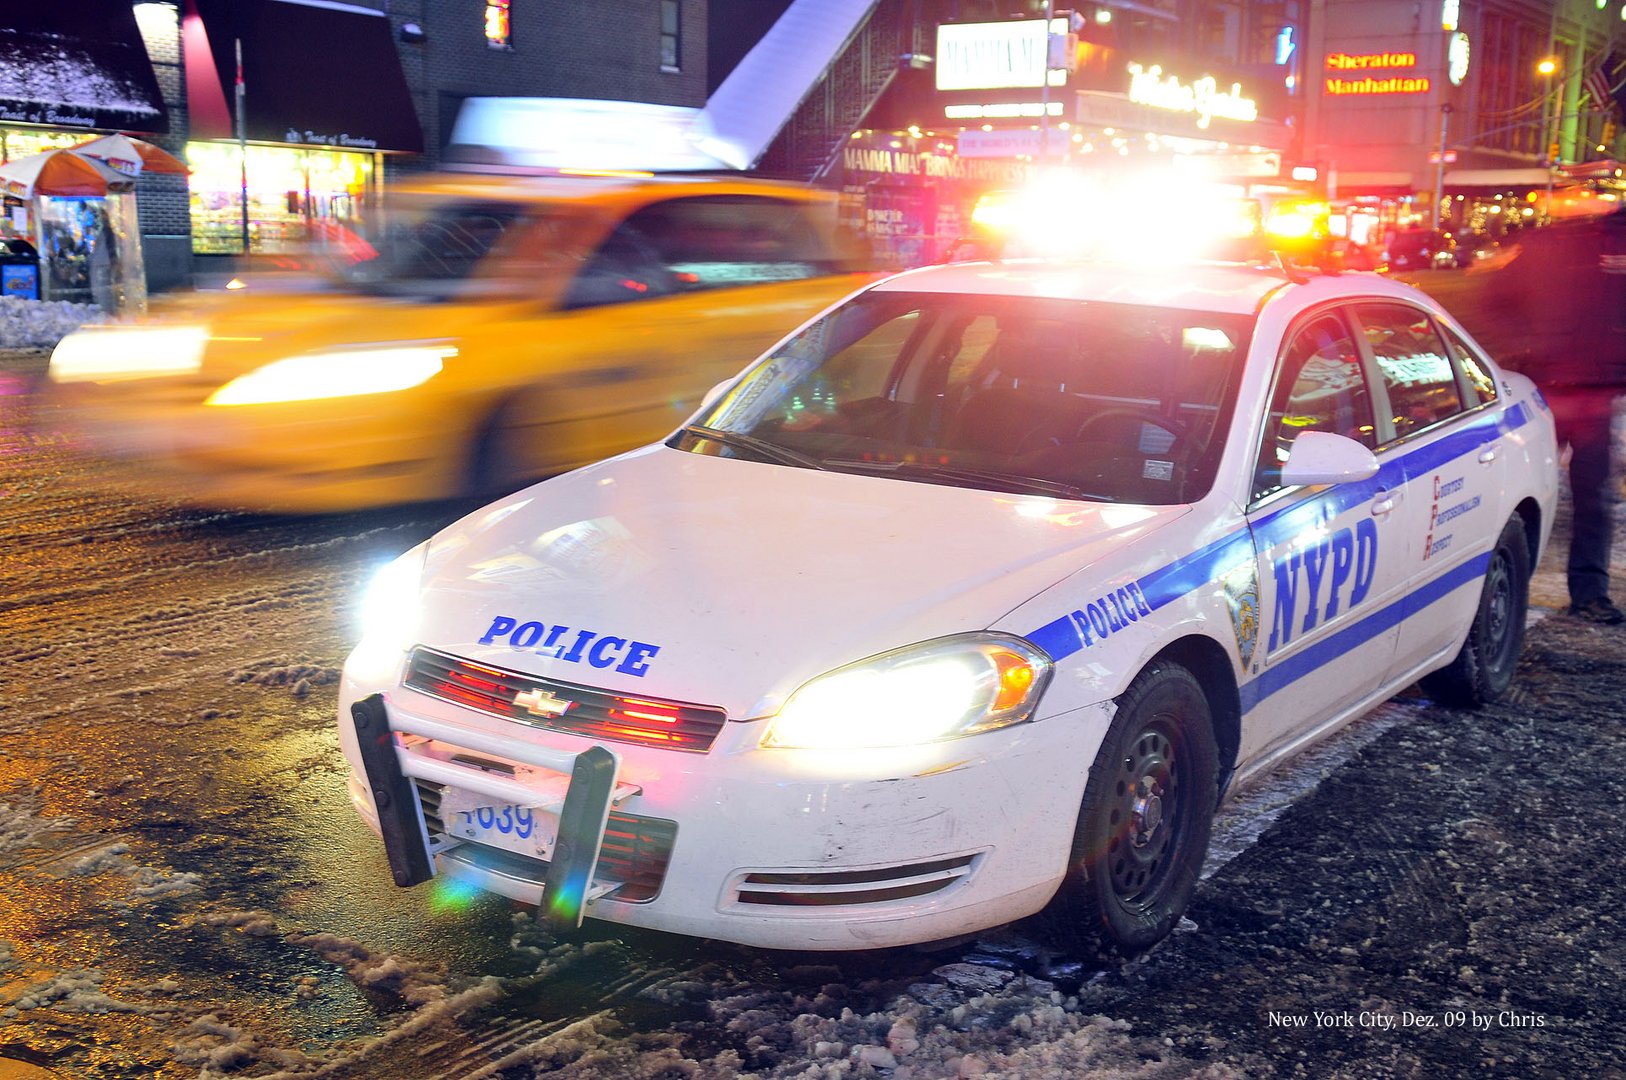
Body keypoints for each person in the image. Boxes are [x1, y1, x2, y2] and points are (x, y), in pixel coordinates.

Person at [1471, 191, 1626, 624]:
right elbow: (1494, 303)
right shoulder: (1545, 246)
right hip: (1543, 396)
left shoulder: (1615, 244)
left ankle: (1589, 593)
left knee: (1594, 501)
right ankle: (1489, 593)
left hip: (1593, 395)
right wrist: (1528, 349)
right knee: (1513, 494)